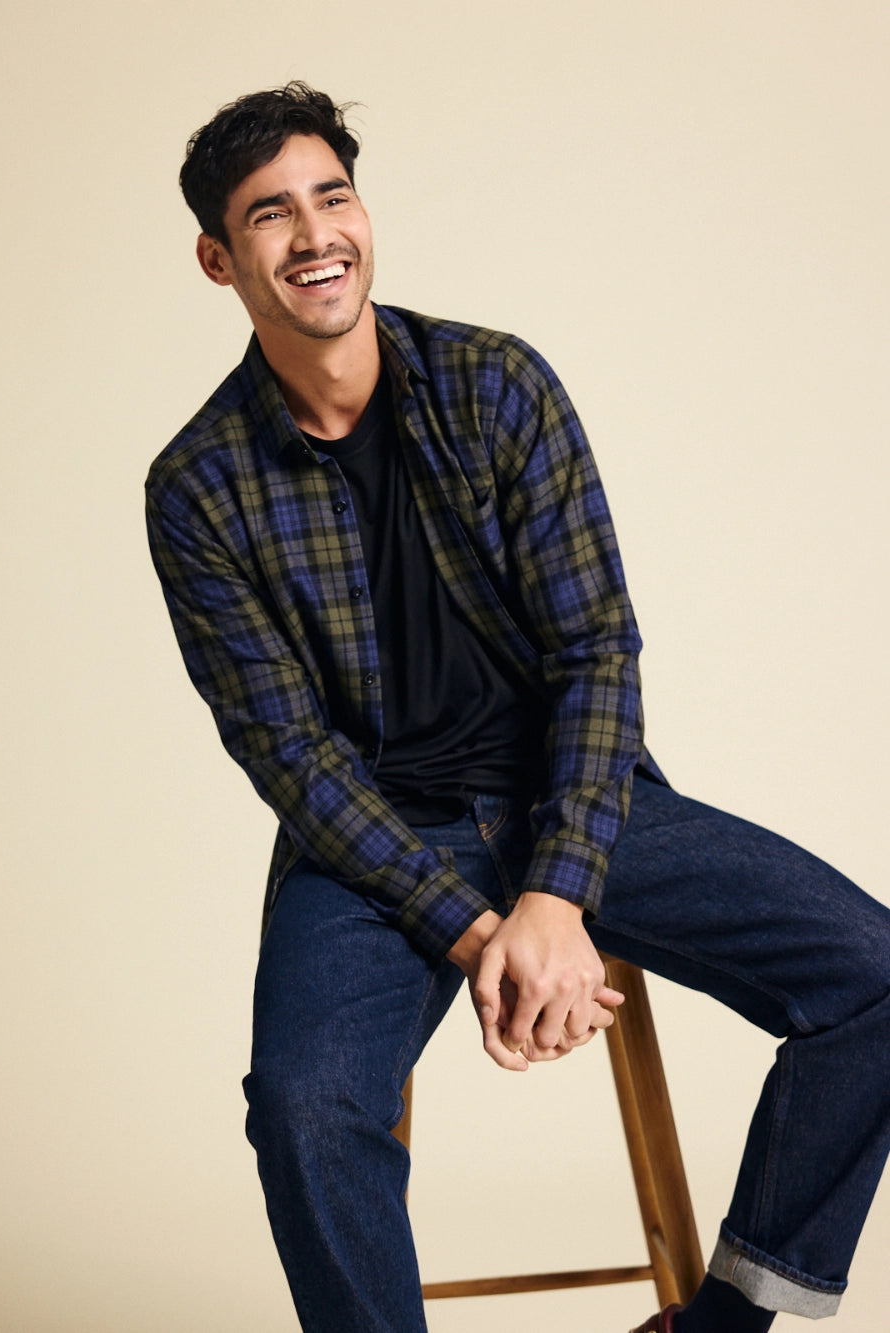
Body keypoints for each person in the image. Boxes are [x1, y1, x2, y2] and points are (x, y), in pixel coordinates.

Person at [145, 82, 890, 1333]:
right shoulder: (198, 486)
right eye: (270, 215)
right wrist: (478, 932)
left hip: (576, 803)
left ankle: (722, 1326)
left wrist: (553, 889)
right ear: (220, 258)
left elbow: (597, 648)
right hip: (374, 846)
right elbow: (292, 757)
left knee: (876, 976)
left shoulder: (494, 385)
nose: (314, 233)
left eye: (332, 195)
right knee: (302, 1104)